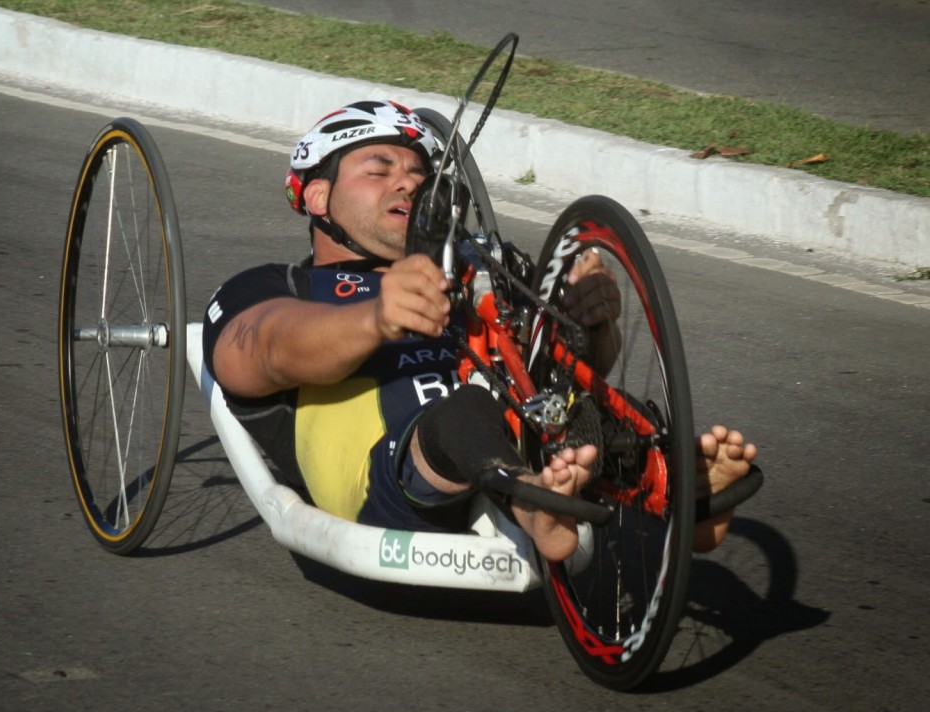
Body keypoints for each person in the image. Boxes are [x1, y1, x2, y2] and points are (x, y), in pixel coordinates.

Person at [202, 100, 757, 562]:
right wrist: (375, 317)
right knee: (464, 411)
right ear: (317, 196)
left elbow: (561, 365)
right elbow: (258, 352)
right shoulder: (282, 286)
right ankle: (536, 502)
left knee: (587, 404)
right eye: (379, 169)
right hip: (389, 475)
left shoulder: (477, 273)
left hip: (521, 436)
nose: (409, 184)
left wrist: (593, 322)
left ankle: (681, 493)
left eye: (419, 173)